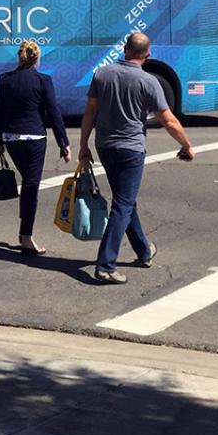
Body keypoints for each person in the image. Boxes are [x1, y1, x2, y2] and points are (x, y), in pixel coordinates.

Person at [79, 32, 194, 284]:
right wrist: (186, 145)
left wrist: (83, 145)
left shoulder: (102, 74)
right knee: (123, 204)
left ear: (125, 49)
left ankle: (143, 251)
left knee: (125, 201)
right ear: (147, 54)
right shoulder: (149, 81)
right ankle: (105, 265)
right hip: (131, 149)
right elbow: (168, 120)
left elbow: (90, 111)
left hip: (105, 146)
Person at [0, 40, 72, 255]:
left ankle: (24, 232)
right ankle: (26, 236)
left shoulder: (5, 79)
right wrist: (63, 143)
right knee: (31, 185)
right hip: (35, 137)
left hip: (11, 138)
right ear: (36, 58)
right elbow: (53, 112)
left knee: (28, 182)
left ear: (19, 57)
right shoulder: (43, 80)